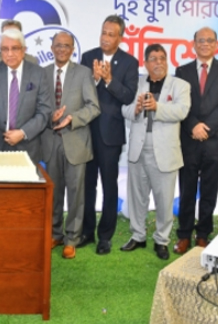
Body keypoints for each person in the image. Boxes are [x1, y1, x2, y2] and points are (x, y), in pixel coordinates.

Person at [121, 44, 190, 260]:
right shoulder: (136, 84)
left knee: (164, 200)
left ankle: (161, 240)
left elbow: (182, 111)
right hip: (138, 148)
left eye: (162, 58)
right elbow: (124, 109)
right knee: (137, 197)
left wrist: (157, 107)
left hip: (165, 150)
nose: (158, 62)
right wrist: (136, 109)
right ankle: (138, 235)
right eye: (153, 58)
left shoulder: (180, 85)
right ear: (145, 63)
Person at [174, 27, 218, 254]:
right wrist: (193, 125)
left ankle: (203, 234)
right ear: (193, 44)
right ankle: (184, 235)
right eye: (201, 40)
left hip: (216, 141)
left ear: (216, 45)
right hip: (189, 139)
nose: (205, 44)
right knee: (187, 190)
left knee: (209, 191)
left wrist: (206, 128)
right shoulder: (182, 71)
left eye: (210, 40)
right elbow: (179, 103)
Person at [79, 14, 138, 255]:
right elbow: (78, 92)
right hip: (85, 132)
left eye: (111, 34)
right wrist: (94, 80)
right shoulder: (88, 57)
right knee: (87, 185)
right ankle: (86, 232)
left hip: (110, 135)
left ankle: (105, 237)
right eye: (104, 32)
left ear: (120, 38)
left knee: (109, 187)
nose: (105, 38)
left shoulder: (129, 63)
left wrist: (109, 80)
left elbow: (128, 96)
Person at [41, 31, 100, 259]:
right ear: (52, 48)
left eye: (66, 46)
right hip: (50, 142)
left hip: (76, 141)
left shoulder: (83, 73)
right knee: (53, 192)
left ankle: (72, 238)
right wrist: (50, 117)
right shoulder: (42, 73)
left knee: (76, 194)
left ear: (73, 49)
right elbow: (38, 107)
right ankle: (55, 234)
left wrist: (72, 118)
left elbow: (93, 107)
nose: (62, 49)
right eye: (58, 45)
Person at [0, 28, 51, 165]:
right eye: (5, 49)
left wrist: (23, 132)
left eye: (15, 48)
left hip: (28, 146)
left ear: (24, 50)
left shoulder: (38, 73)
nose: (10, 54)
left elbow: (44, 111)